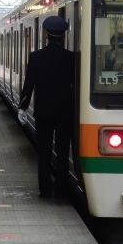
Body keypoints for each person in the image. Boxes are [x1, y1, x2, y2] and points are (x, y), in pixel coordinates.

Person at [18, 16, 75, 198]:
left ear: (45, 35)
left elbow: (29, 83)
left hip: (43, 112)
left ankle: (44, 189)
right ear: (64, 36)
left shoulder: (36, 57)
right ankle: (61, 189)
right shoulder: (71, 58)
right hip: (65, 113)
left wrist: (23, 107)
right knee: (63, 150)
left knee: (44, 152)